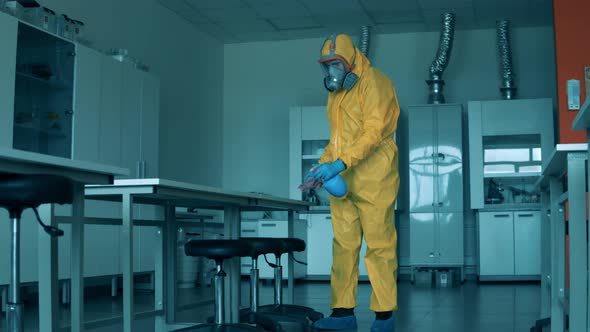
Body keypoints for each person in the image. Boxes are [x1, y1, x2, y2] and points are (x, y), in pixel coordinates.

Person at [306, 33, 400, 332]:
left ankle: (385, 316)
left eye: (336, 64)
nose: (331, 71)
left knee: (379, 246)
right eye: (326, 65)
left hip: (375, 175)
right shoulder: (336, 94)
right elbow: (337, 141)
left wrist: (340, 163)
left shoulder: (376, 82)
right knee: (343, 246)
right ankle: (342, 312)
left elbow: (373, 132)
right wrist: (322, 167)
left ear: (351, 61)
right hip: (343, 176)